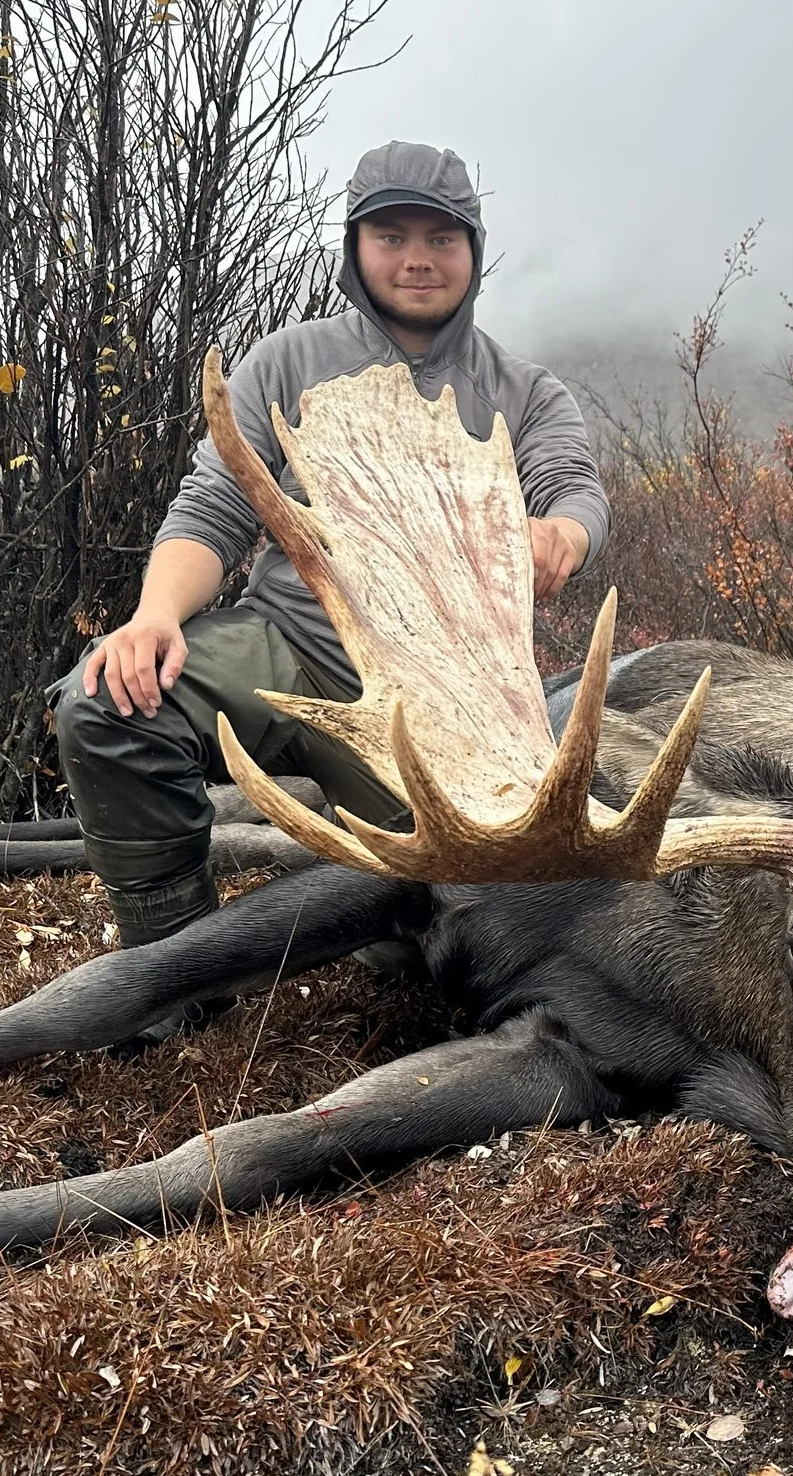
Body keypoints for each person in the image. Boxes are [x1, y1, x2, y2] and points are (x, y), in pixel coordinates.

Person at [52, 141, 609, 950]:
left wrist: (563, 532)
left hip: (443, 700)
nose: (417, 260)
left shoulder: (524, 392)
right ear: (355, 248)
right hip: (292, 642)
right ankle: (175, 963)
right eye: (392, 236)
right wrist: (155, 615)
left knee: (475, 910)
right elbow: (213, 506)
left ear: (473, 253)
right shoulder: (289, 360)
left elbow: (574, 488)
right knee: (110, 702)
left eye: (441, 239)